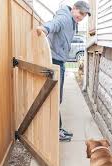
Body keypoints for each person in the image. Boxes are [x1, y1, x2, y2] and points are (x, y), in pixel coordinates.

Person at [36, 1, 91, 141]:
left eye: (84, 15)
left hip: (60, 61)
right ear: (74, 9)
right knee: (55, 98)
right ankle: (55, 131)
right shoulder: (65, 17)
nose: (81, 17)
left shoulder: (73, 21)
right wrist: (45, 29)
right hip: (54, 62)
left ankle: (57, 128)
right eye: (81, 13)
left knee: (57, 97)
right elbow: (55, 23)